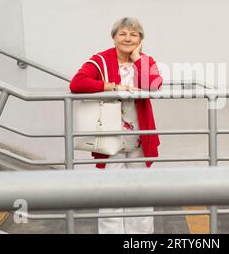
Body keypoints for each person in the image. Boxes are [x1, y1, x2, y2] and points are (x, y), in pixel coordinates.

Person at [69, 17, 162, 234]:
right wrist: (112, 86)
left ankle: (139, 239)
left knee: (141, 193)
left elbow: (154, 85)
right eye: (122, 33)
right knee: (111, 194)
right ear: (113, 37)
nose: (128, 38)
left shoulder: (145, 61)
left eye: (134, 34)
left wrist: (137, 58)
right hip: (111, 139)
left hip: (139, 138)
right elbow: (77, 83)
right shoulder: (100, 60)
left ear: (140, 39)